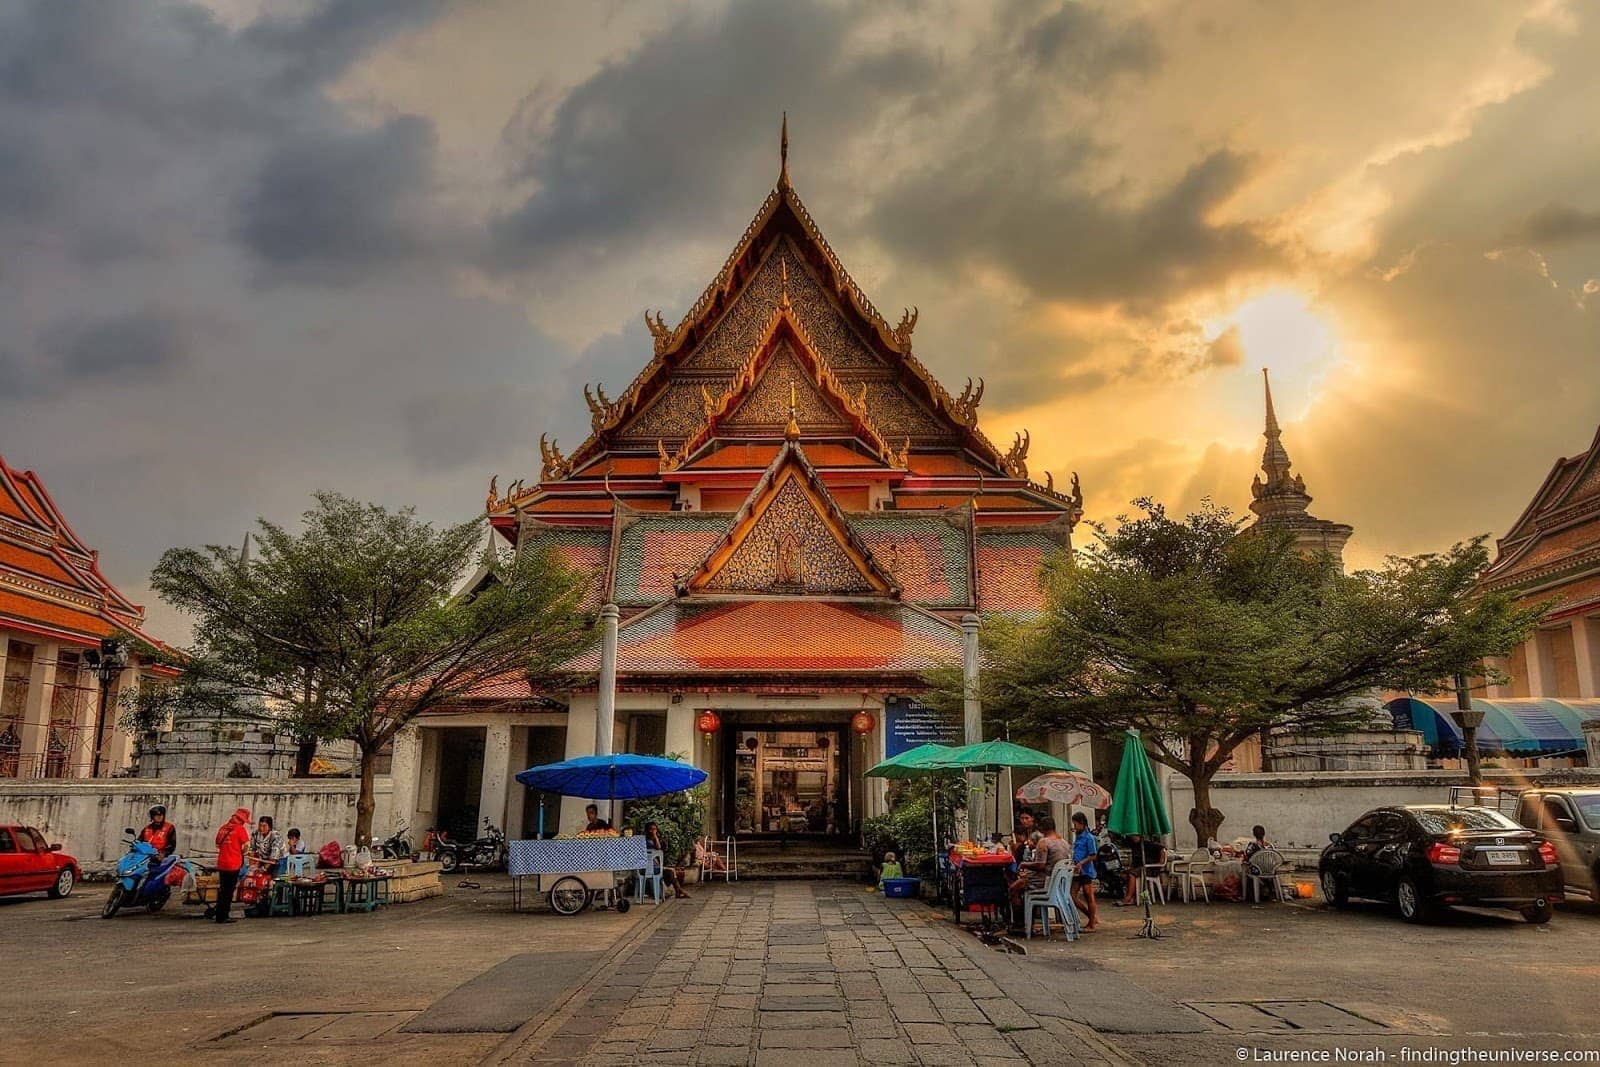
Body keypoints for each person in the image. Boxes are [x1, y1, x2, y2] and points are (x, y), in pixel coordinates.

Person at [213, 807, 251, 924]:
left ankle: (219, 915)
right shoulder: (240, 830)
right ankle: (224, 916)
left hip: (222, 863)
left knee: (222, 890)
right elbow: (246, 846)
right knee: (229, 891)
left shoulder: (223, 828)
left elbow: (217, 844)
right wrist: (239, 851)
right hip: (233, 864)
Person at [1070, 812, 1099, 932]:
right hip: (1077, 871)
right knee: (1072, 895)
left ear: (1082, 823)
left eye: (1076, 824)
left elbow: (1093, 855)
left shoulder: (1089, 838)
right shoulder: (1078, 836)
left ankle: (1091, 923)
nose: (1074, 826)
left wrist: (1082, 862)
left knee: (1089, 895)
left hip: (1086, 870)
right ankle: (1090, 916)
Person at [643, 822, 688, 899]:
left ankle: (679, 891)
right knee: (671, 871)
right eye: (652, 829)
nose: (654, 831)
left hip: (654, 866)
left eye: (655, 829)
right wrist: (655, 836)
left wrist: (655, 837)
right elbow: (658, 847)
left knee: (672, 870)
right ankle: (679, 891)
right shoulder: (647, 841)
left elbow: (658, 848)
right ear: (648, 830)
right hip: (651, 868)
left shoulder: (652, 840)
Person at [1120, 833, 1168, 906]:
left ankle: (1129, 897)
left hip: (1150, 868)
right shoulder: (1134, 846)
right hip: (1139, 868)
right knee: (1124, 874)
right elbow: (1135, 861)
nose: (1133, 838)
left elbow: (1162, 848)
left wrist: (1161, 862)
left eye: (1134, 836)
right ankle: (1133, 897)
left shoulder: (1147, 844)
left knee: (1132, 874)